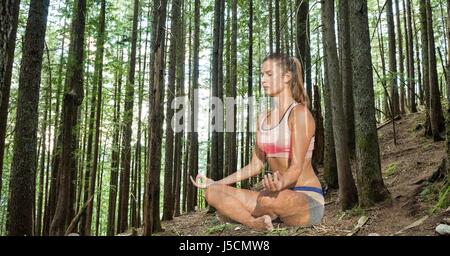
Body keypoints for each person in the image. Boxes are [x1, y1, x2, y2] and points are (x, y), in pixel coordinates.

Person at [190, 53, 324, 231]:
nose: (263, 80)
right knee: (212, 192)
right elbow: (254, 166)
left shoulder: (299, 114)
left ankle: (243, 214)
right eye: (261, 75)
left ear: (286, 77)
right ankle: (255, 222)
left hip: (306, 197)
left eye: (269, 74)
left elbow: (296, 167)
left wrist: (280, 184)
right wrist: (216, 182)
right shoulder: (262, 118)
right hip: (272, 195)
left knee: (263, 200)